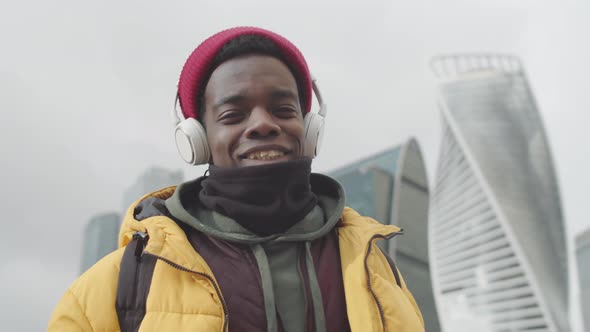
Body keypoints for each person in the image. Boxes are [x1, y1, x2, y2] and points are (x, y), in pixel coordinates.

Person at [48, 26, 424, 332]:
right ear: (197, 139)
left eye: (283, 109)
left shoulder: (376, 269)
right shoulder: (113, 287)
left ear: (309, 128)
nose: (262, 124)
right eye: (233, 115)